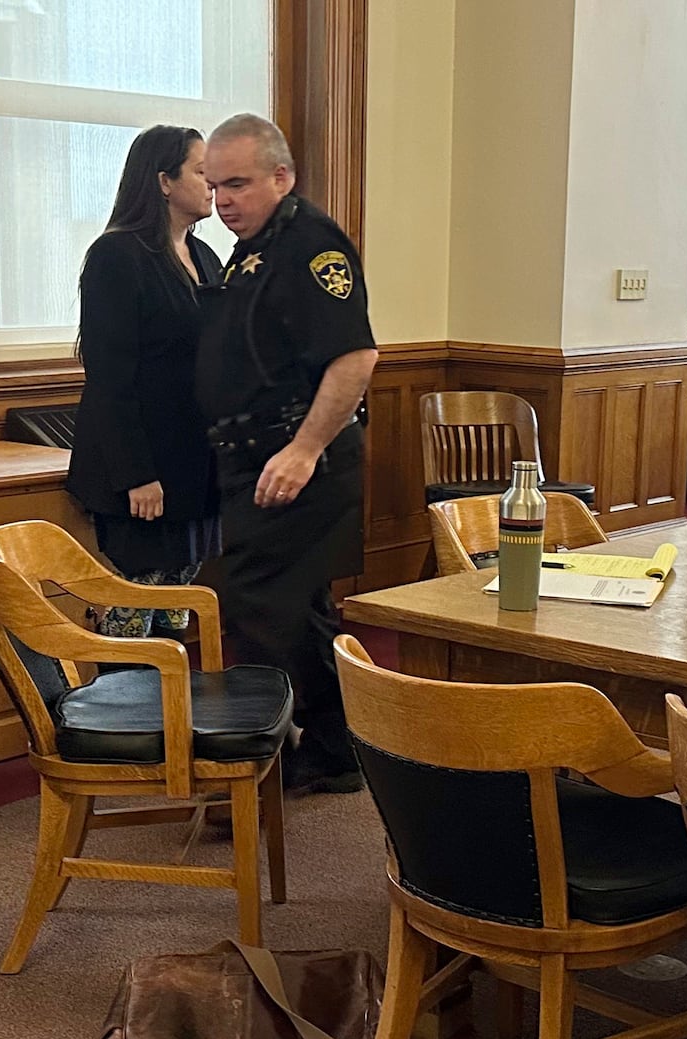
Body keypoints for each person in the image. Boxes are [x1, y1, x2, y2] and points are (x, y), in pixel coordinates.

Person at [195, 113, 377, 795]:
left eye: (237, 184)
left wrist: (303, 449)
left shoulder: (309, 244)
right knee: (294, 609)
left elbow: (355, 357)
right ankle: (336, 746)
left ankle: (260, 764)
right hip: (255, 459)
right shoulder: (253, 246)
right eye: (214, 188)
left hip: (300, 461)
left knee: (249, 600)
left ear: (283, 175)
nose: (224, 203)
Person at [66, 125, 223, 638]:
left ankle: (168, 711)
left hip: (195, 464)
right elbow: (110, 377)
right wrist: (136, 473)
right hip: (142, 467)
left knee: (177, 599)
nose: (213, 183)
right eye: (202, 172)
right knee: (136, 602)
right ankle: (118, 711)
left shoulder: (206, 258)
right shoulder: (117, 256)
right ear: (162, 181)